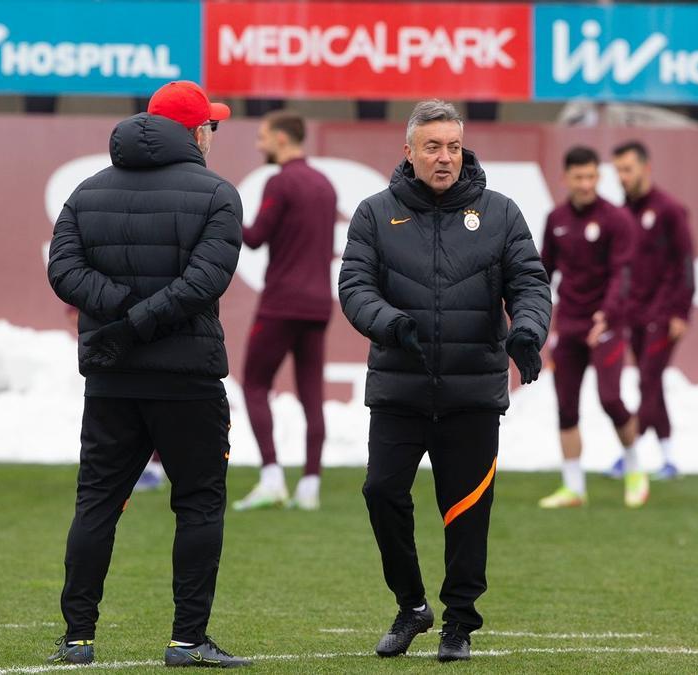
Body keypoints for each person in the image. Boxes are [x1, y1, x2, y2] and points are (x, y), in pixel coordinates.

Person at [45, 80, 249, 667]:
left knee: (97, 504)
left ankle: (77, 638)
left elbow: (63, 270)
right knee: (200, 505)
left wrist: (118, 314)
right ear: (196, 132)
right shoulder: (217, 193)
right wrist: (141, 319)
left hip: (112, 375)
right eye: (212, 124)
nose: (214, 133)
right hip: (187, 377)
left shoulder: (86, 191)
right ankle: (187, 640)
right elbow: (205, 283)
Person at [338, 100, 551, 662]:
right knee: (381, 493)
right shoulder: (373, 214)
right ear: (408, 152)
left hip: (471, 394)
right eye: (432, 146)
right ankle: (411, 606)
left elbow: (530, 283)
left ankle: (459, 622)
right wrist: (390, 324)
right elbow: (355, 287)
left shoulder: (501, 213)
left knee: (465, 512)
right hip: (399, 389)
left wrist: (527, 330)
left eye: (453, 146)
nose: (444, 157)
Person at [233, 110, 339, 512]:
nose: (258, 144)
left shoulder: (281, 181)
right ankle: (310, 485)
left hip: (281, 302)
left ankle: (272, 477)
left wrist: (224, 213)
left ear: (281, 138)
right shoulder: (325, 184)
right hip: (318, 304)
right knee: (312, 395)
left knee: (255, 385)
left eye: (262, 137)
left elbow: (256, 238)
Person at [537, 146, 643, 509]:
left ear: (599, 177)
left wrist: (607, 315)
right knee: (566, 406)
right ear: (565, 178)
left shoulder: (617, 220)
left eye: (591, 177)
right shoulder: (556, 219)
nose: (585, 184)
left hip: (607, 324)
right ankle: (573, 487)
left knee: (610, 398)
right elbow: (543, 271)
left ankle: (635, 470)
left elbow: (622, 274)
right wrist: (532, 314)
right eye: (578, 177)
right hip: (569, 323)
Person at [610, 140, 696, 480]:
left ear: (646, 168)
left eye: (627, 169)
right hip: (634, 314)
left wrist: (681, 313)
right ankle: (669, 458)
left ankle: (627, 452)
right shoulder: (625, 212)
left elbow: (686, 263)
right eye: (618, 170)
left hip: (664, 316)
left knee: (648, 380)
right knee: (653, 384)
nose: (622, 176)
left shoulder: (670, 210)